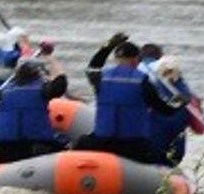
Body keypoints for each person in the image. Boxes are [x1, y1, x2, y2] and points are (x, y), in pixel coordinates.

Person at [75, 34, 177, 163]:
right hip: (133, 146)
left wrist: (108, 46)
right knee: (159, 153)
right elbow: (165, 110)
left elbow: (92, 67)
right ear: (136, 60)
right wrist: (179, 102)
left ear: (116, 59)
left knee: (80, 142)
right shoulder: (143, 81)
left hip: (101, 142)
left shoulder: (100, 78)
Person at [0, 57, 69, 164]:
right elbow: (61, 82)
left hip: (2, 151)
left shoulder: (1, 93)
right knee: (63, 144)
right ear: (37, 74)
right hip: (34, 150)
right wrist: (51, 58)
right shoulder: (43, 90)